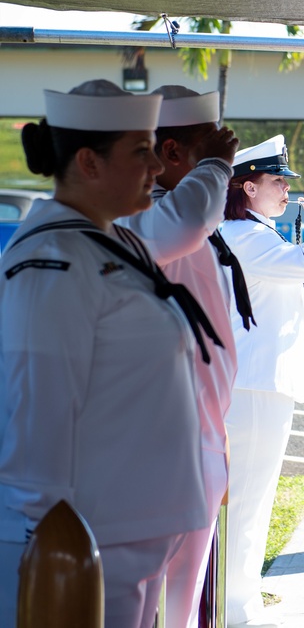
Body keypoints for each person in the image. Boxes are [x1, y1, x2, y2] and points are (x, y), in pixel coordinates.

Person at [0, 80, 217, 626]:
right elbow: (36, 408)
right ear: (89, 164)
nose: (154, 165)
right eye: (139, 150)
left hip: (134, 530)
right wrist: (48, 544)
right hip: (85, 541)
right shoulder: (53, 260)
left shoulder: (113, 242)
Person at [117, 85, 242, 628]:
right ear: (173, 157)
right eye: (207, 155)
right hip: (169, 445)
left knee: (182, 604)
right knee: (159, 607)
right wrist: (213, 168)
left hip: (198, 438)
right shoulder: (156, 224)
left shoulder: (174, 222)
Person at [220, 135, 304, 627]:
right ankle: (234, 609)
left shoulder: (253, 229)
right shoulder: (244, 233)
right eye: (277, 181)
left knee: (252, 500)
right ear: (247, 187)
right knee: (247, 502)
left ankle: (236, 603)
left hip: (257, 383)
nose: (287, 191)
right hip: (254, 386)